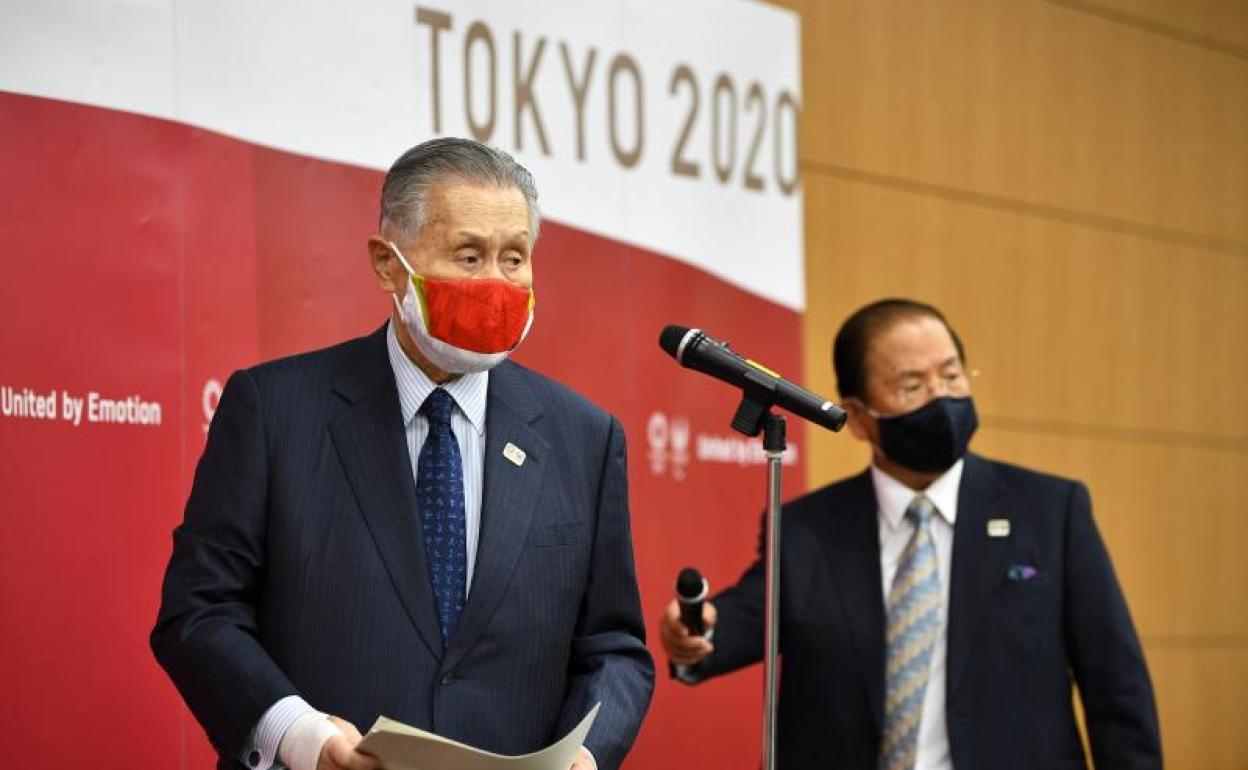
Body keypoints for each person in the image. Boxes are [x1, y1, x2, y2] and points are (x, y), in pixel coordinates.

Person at [153, 138, 654, 770]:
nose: (495, 284)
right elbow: (199, 613)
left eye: (514, 258)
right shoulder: (274, 409)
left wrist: (586, 756)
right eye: (468, 256)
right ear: (388, 265)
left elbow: (613, 646)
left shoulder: (584, 435)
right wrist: (301, 735)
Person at [659, 299, 1161, 769]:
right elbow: (740, 621)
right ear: (857, 417)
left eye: (951, 375)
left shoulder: (1052, 512)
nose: (941, 397)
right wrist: (692, 635)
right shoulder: (807, 530)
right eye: (911, 387)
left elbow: (1116, 688)